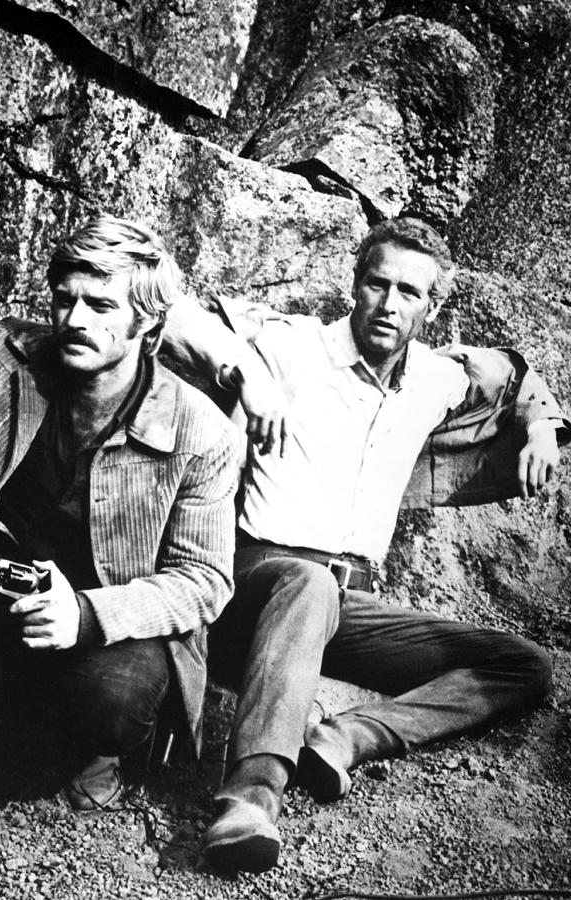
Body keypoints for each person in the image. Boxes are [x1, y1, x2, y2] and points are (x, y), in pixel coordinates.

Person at [162, 216, 567, 873]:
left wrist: (543, 424)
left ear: (432, 308)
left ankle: (348, 736)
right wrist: (244, 374)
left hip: (349, 604)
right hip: (253, 582)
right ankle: (250, 799)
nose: (389, 303)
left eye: (410, 292)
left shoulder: (437, 379)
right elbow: (168, 308)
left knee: (525, 665)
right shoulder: (291, 345)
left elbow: (514, 374)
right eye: (377, 284)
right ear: (354, 285)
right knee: (307, 583)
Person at [0, 214, 237, 842]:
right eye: (66, 299)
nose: (75, 320)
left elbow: (205, 580)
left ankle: (93, 751)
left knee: (115, 702)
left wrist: (84, 614)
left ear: (147, 323)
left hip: (104, 625)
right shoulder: (8, 361)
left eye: (102, 304)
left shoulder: (201, 432)